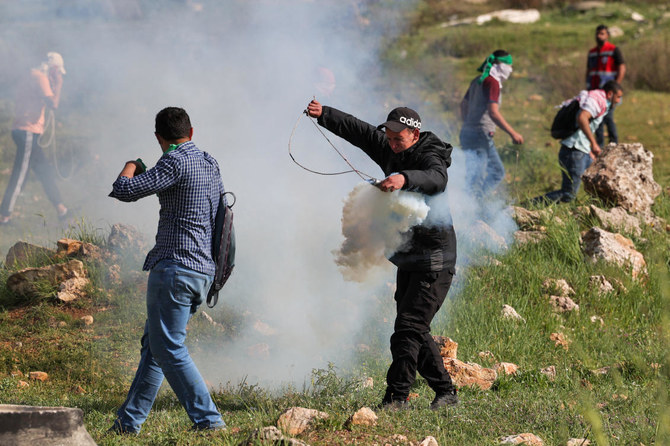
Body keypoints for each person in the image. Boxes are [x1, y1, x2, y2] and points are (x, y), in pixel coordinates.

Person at [306, 99, 459, 410]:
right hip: (409, 257)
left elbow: (436, 179)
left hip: (435, 259)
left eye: (398, 138)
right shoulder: (389, 146)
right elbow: (358, 130)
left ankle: (396, 398)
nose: (391, 143)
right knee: (415, 328)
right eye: (388, 137)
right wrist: (326, 114)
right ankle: (446, 393)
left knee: (407, 328)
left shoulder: (430, 155)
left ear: (414, 135)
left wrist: (403, 178)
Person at [109, 107, 226, 433]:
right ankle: (127, 425)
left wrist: (131, 166)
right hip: (203, 270)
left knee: (169, 348)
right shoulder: (209, 162)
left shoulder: (173, 161)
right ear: (191, 132)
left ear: (160, 138)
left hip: (176, 269)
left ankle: (209, 421)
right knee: (156, 348)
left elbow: (125, 190)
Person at [0, 52, 68, 224]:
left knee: (44, 172)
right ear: (53, 69)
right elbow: (54, 104)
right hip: (28, 132)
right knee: (20, 174)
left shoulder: (31, 75)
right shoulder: (40, 78)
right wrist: (58, 85)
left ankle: (61, 210)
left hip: (26, 131)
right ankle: (4, 216)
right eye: (57, 71)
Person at [533, 81, 623, 204]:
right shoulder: (598, 100)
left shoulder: (600, 100)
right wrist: (594, 143)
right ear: (610, 94)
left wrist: (590, 151)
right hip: (574, 151)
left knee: (599, 182)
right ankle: (526, 206)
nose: (619, 101)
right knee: (568, 194)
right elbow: (582, 118)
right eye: (618, 97)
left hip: (582, 151)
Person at [459, 49, 524, 198]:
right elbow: (493, 112)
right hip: (481, 135)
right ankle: (473, 208)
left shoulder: (477, 80)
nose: (510, 70)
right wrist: (513, 133)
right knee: (482, 175)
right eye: (509, 66)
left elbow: (463, 105)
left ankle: (474, 204)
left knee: (485, 173)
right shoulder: (492, 82)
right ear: (500, 65)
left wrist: (468, 124)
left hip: (467, 132)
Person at [587, 24, 625, 147]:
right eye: (597, 34)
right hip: (595, 91)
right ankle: (600, 146)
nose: (599, 36)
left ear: (607, 35)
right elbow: (589, 71)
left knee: (608, 117)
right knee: (597, 118)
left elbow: (622, 67)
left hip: (609, 92)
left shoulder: (613, 50)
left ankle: (614, 144)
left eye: (602, 33)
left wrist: (616, 86)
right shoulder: (592, 52)